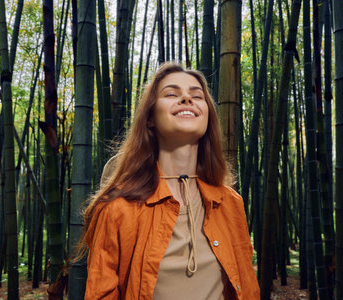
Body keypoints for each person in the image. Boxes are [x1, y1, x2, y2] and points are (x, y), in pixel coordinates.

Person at [81, 63, 260, 299]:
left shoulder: (230, 204)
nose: (187, 98)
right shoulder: (118, 209)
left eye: (197, 96)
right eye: (172, 94)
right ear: (150, 119)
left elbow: (247, 287)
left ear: (208, 116)